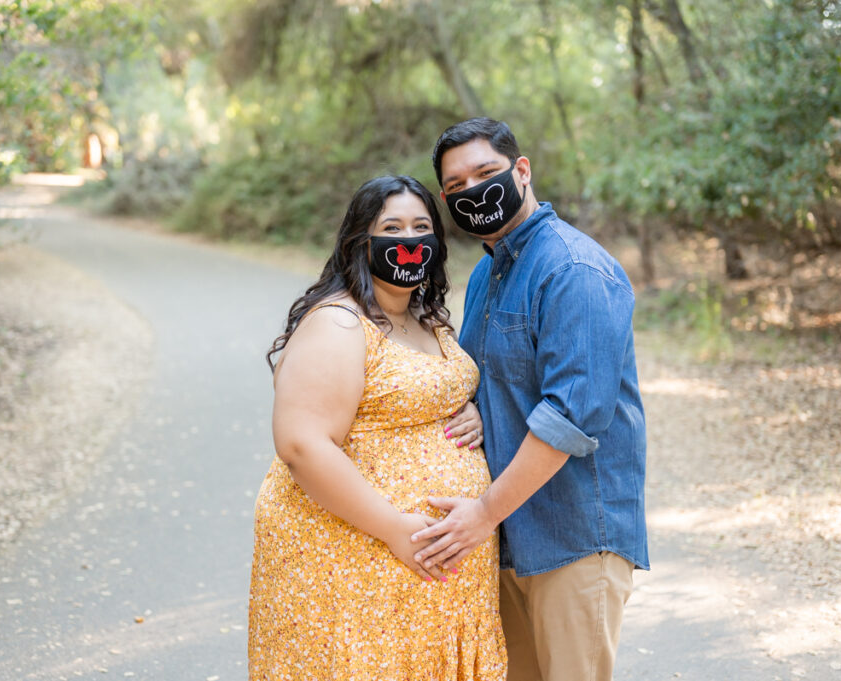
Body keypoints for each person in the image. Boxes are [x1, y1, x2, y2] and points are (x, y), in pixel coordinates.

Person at [412, 117, 650, 681]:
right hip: (504, 541)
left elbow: (569, 419)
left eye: (486, 173)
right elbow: (490, 376)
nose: (472, 191)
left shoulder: (574, 270)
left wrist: (482, 515)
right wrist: (475, 403)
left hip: (572, 537)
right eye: (455, 187)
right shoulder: (485, 276)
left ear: (521, 171)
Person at [248, 175, 507, 680]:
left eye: (422, 227)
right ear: (359, 242)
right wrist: (394, 528)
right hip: (357, 562)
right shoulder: (339, 322)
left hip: (432, 576)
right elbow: (301, 444)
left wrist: (470, 408)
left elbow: (420, 396)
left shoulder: (423, 317)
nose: (409, 240)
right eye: (392, 227)